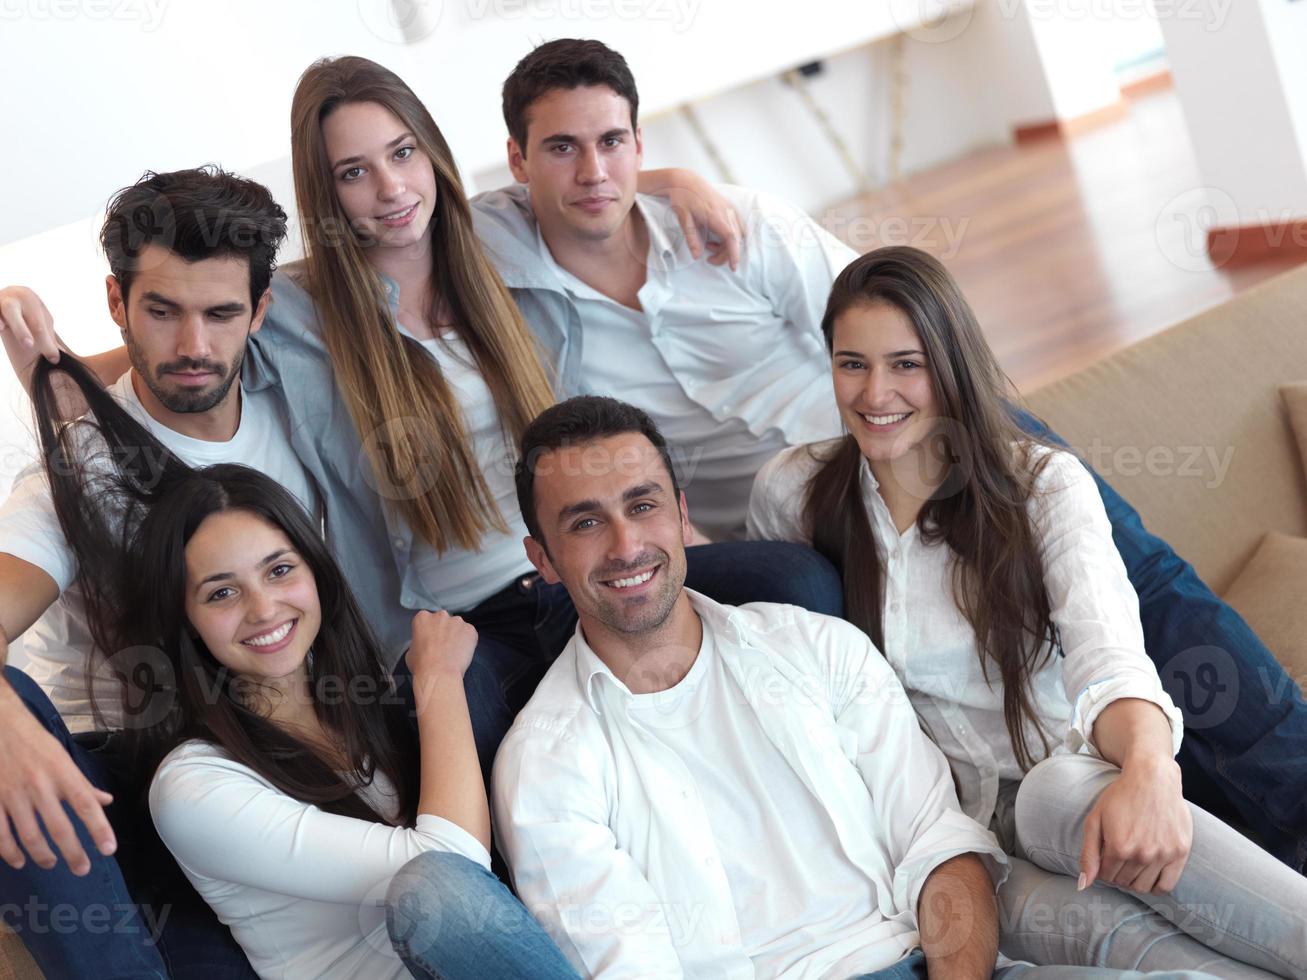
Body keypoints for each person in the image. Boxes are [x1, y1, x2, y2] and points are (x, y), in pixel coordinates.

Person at [0, 54, 845, 784]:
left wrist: (676, 178)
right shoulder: (294, 310)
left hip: (567, 566)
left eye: (403, 153)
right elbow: (190, 341)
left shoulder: (495, 240)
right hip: (446, 621)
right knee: (485, 748)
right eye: (353, 172)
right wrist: (51, 368)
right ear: (324, 192)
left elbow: (587, 178)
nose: (392, 189)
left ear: (434, 155)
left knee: (798, 584)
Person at [489, 395, 1241, 980]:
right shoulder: (548, 766)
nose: (626, 546)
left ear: (682, 516)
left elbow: (939, 848)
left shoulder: (816, 647)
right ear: (543, 559)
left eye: (643, 505)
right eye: (584, 523)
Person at [746, 246, 1307, 976]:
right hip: (957, 841)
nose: (874, 391)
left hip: (1069, 795)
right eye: (851, 363)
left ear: (951, 364)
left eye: (905, 364)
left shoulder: (1041, 483)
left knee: (1052, 790)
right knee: (1130, 946)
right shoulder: (790, 493)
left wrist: (1147, 769)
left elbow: (1107, 648)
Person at [0, 167, 311, 978]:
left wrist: (669, 181)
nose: (192, 348)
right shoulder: (81, 472)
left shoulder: (296, 397)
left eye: (221, 314)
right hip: (115, 774)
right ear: (116, 302)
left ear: (261, 312)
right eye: (161, 311)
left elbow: (400, 249)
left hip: (269, 746)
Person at [116, 463, 578, 980]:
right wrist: (440, 679)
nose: (264, 608)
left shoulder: (363, 701)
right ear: (187, 621)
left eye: (279, 570)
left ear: (316, 570)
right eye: (222, 593)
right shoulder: (193, 786)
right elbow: (451, 874)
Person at [475, 38, 854, 540]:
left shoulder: (743, 221)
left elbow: (896, 318)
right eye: (562, 147)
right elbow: (413, 215)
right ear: (518, 160)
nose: (593, 173)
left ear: (638, 144)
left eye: (611, 142)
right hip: (744, 542)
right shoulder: (501, 262)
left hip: (861, 461)